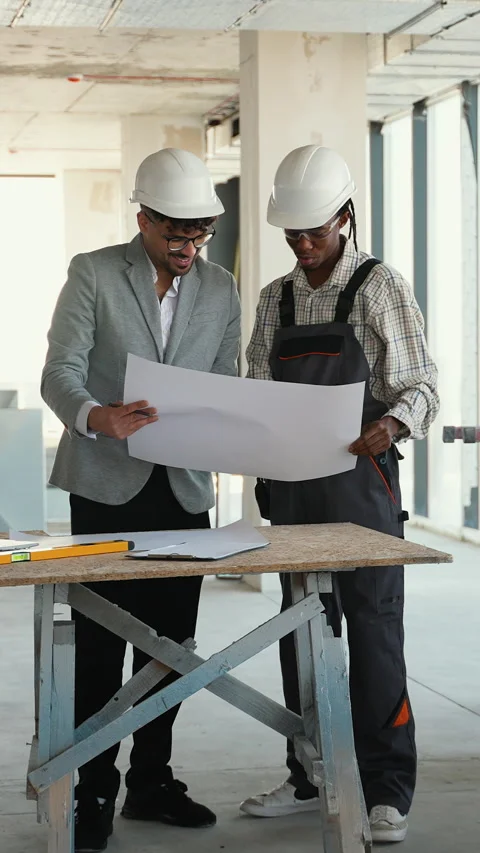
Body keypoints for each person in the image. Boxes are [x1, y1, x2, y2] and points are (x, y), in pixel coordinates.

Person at [41, 147, 241, 853]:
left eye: (200, 234)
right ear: (144, 219)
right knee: (99, 646)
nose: (188, 248)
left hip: (184, 488)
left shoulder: (221, 286)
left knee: (171, 648)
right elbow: (59, 371)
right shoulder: (94, 272)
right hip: (105, 484)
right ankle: (95, 784)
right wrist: (98, 415)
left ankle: (152, 778)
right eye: (175, 234)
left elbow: (227, 380)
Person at [240, 146, 439, 844]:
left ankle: (387, 792)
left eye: (313, 232)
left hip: (364, 493)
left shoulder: (381, 288)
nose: (301, 244)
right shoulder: (275, 299)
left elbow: (424, 388)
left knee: (375, 640)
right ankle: (310, 777)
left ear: (345, 219)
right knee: (301, 639)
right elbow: (258, 394)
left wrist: (389, 423)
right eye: (291, 233)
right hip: (293, 497)